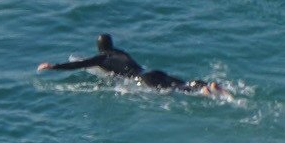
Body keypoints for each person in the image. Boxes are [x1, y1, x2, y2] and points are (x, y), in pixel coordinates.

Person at [37, 35, 224, 96]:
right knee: (181, 84)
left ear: (99, 49)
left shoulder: (100, 59)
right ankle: (206, 86)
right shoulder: (121, 52)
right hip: (151, 71)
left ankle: (204, 92)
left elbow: (79, 65)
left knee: (175, 92)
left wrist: (53, 66)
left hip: (142, 79)